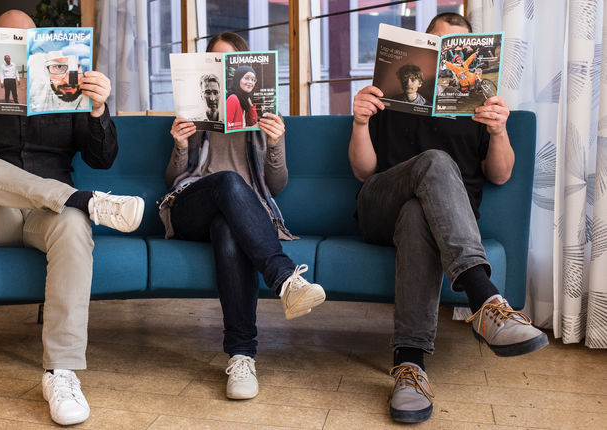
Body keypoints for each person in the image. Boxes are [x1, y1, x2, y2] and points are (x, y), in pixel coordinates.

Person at [0, 10, 144, 426]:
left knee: (72, 221)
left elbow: (102, 158)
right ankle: (88, 201)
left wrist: (99, 109)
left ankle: (61, 373)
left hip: (50, 215)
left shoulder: (67, 91)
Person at [348, 12, 548, 424]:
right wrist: (361, 121)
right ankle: (485, 299)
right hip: (378, 206)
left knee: (418, 213)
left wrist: (498, 132)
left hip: (433, 223)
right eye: (436, 46)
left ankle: (410, 368)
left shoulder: (480, 107)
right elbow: (364, 172)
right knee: (434, 165)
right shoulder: (391, 95)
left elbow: (501, 174)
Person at [162, 31, 326, 401]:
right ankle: (283, 276)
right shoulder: (191, 115)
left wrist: (275, 143)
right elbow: (173, 180)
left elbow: (276, 185)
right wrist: (180, 144)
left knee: (228, 227)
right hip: (190, 208)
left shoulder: (261, 116)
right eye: (214, 63)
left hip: (238, 219)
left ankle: (242, 355)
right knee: (229, 182)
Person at [225, 64, 258, 131]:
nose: (250, 82)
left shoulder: (244, 99)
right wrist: (252, 128)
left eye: (253, 80)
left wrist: (251, 106)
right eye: (246, 78)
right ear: (238, 79)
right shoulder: (233, 99)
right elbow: (226, 129)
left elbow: (252, 122)